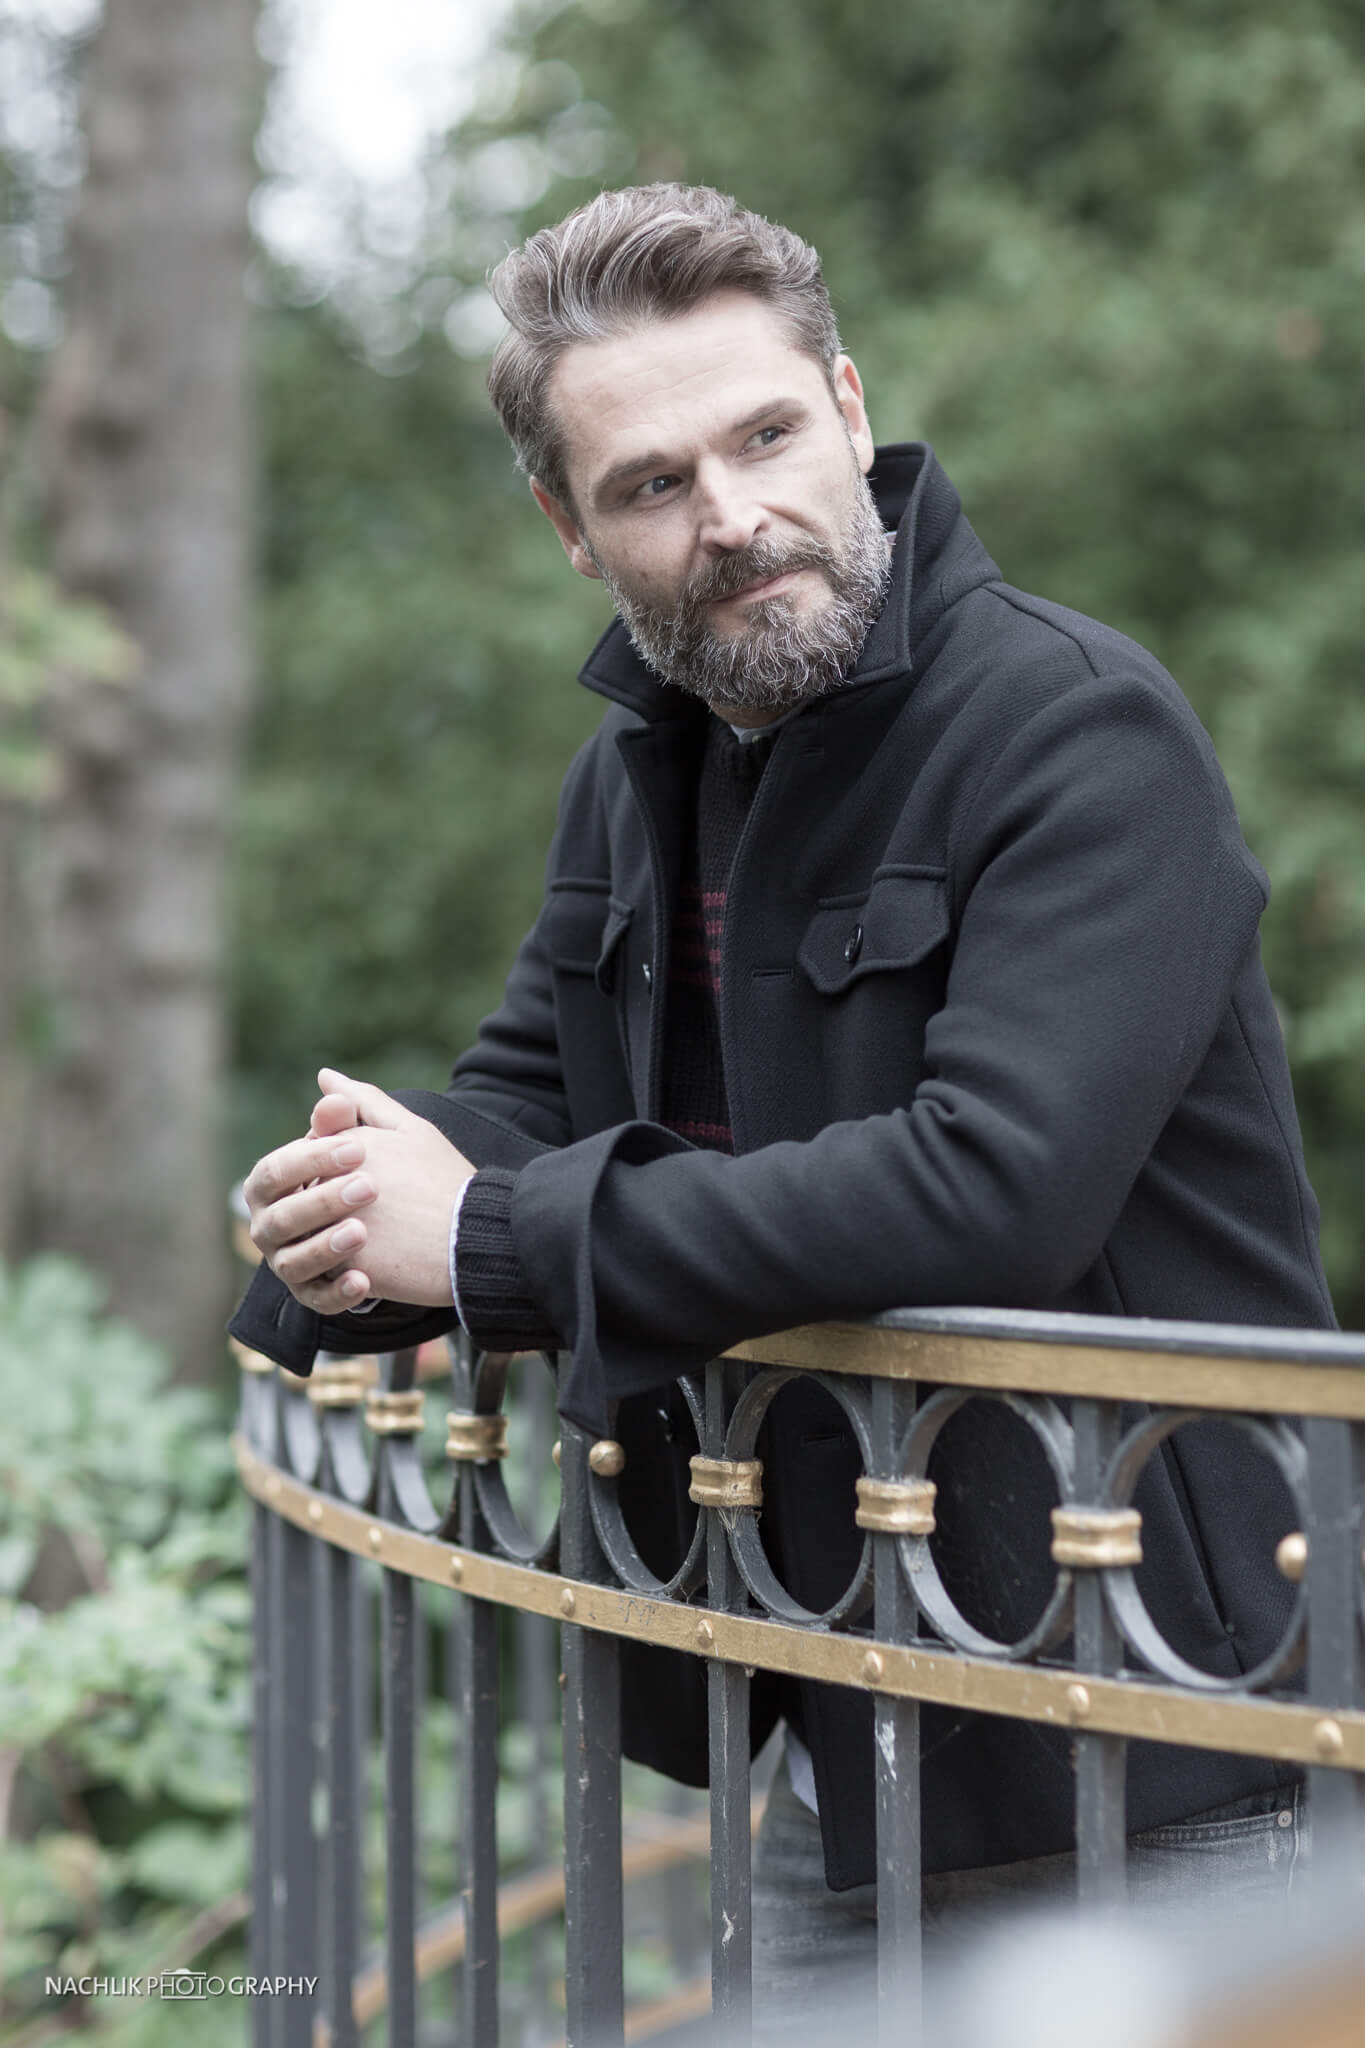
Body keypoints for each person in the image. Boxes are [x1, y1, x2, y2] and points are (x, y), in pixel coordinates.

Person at [233, 184, 1331, 2014]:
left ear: (846, 403)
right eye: (652, 482)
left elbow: (993, 1189)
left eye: (762, 438)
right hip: (831, 1695)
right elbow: (528, 1091)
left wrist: (484, 1239)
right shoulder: (636, 774)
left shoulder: (1076, 728)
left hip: (1154, 1715)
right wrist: (347, 1210)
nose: (732, 517)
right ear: (569, 528)